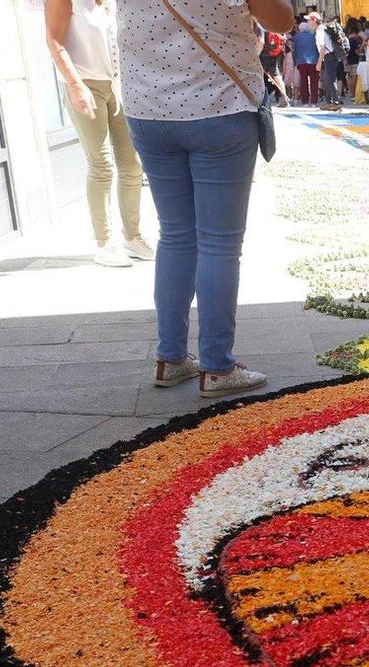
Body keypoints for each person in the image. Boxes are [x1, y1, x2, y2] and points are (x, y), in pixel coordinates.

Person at [118, 0, 291, 397]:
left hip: (148, 113)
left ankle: (171, 358)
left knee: (176, 235)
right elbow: (281, 19)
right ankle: (217, 366)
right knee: (219, 244)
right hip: (219, 108)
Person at [44, 0, 151, 267]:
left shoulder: (109, 3)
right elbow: (54, 41)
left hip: (117, 85)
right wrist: (75, 85)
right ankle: (104, 243)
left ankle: (132, 237)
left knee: (132, 163)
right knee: (101, 164)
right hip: (85, 83)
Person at [317, 15, 343, 111]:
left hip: (328, 57)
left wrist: (319, 62)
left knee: (330, 80)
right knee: (327, 80)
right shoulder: (324, 30)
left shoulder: (320, 31)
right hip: (330, 56)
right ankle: (329, 101)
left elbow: (323, 48)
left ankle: (335, 102)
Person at [291, 13, 319, 105]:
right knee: (314, 82)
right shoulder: (313, 36)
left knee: (303, 82)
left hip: (301, 61)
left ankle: (305, 101)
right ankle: (314, 101)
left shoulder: (296, 37)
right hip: (313, 61)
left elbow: (294, 50)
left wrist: (295, 61)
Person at [260, 27, 290, 106]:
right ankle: (284, 97)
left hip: (263, 54)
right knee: (276, 75)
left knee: (258, 75)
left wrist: (256, 54)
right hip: (273, 54)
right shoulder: (274, 26)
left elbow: (261, 42)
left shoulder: (261, 27)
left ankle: (259, 98)